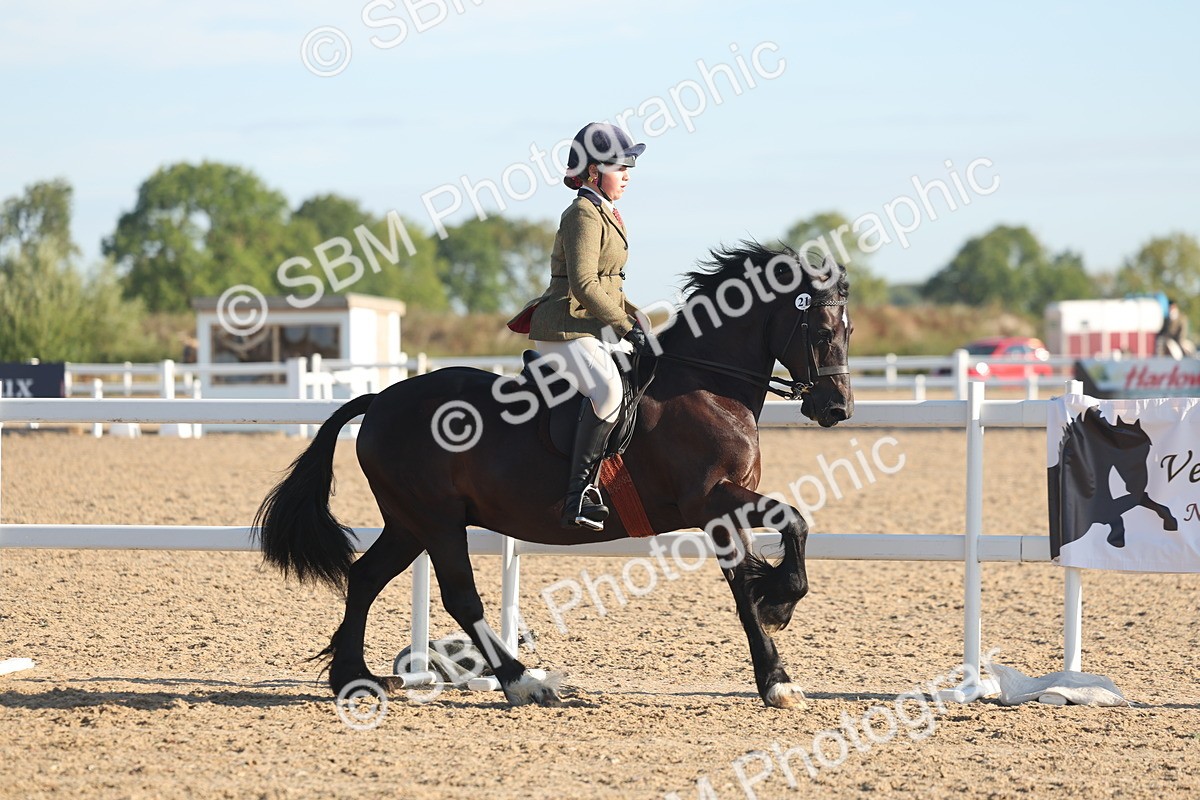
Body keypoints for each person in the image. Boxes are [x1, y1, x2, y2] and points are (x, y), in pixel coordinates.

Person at [507, 122, 653, 531]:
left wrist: (638, 320)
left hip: (590, 326)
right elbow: (586, 285)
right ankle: (579, 496)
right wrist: (624, 326)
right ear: (593, 170)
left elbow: (610, 283)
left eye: (628, 167)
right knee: (608, 390)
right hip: (564, 328)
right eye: (619, 166)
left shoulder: (607, 212)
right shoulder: (582, 214)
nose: (627, 174)